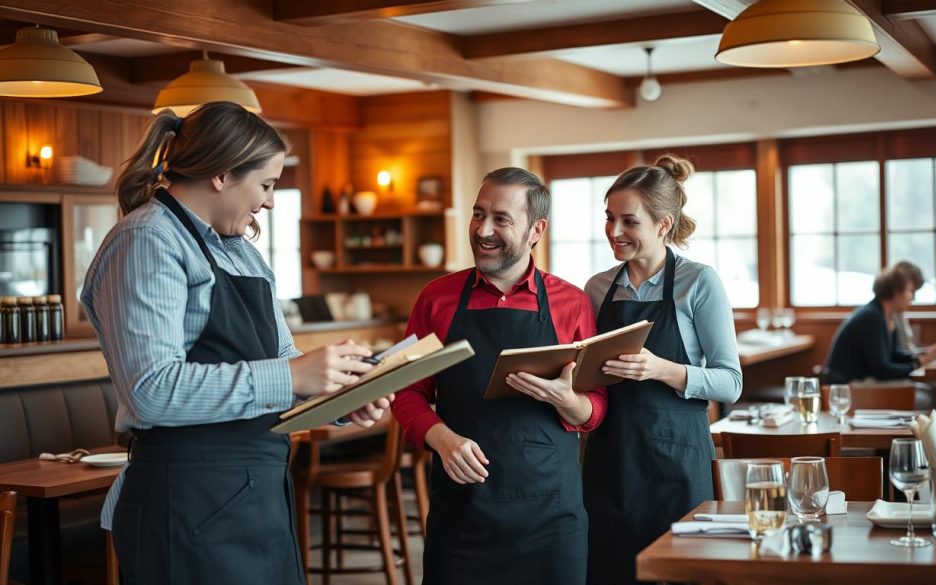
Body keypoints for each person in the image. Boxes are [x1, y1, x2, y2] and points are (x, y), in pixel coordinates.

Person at [81, 102, 391, 585]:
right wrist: (293, 376)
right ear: (222, 175)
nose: (269, 202)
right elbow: (151, 388)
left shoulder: (243, 252)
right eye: (266, 185)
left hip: (258, 497)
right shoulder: (146, 241)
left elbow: (283, 361)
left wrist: (341, 396)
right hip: (184, 503)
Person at [391, 168, 608, 585]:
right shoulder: (436, 299)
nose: (483, 230)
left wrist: (566, 399)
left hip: (551, 522)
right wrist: (442, 438)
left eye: (501, 219)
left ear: (535, 230)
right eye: (478, 214)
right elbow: (405, 391)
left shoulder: (572, 304)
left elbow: (595, 410)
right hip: (462, 522)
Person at [583, 154, 742, 585]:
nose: (614, 232)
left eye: (629, 221)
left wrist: (660, 369)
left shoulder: (698, 282)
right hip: (609, 462)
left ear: (663, 224)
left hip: (677, 464)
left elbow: (730, 383)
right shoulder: (598, 288)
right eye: (609, 218)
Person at [824, 262, 936, 384]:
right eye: (910, 291)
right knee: (921, 395)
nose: (912, 298)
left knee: (923, 389)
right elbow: (882, 370)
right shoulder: (872, 317)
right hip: (846, 387)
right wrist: (922, 362)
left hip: (862, 383)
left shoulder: (886, 315)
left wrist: (921, 355)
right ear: (896, 293)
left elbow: (893, 355)